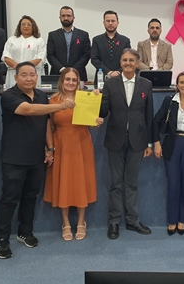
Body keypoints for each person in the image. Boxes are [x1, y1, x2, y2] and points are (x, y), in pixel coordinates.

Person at [0, 61, 75, 259]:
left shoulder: (41, 95)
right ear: (16, 77)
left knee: (30, 196)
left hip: (37, 156)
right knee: (9, 199)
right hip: (14, 157)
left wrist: (49, 148)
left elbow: (46, 124)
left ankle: (25, 232)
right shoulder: (9, 96)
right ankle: (2, 239)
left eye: (32, 74)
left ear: (37, 77)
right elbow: (28, 110)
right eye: (24, 75)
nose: (29, 78)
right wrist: (60, 106)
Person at [99, 48, 154, 239]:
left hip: (138, 141)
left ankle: (132, 221)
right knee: (115, 183)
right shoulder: (110, 83)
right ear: (120, 63)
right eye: (124, 60)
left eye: (131, 60)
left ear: (137, 63)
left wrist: (149, 143)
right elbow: (104, 110)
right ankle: (114, 222)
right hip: (115, 138)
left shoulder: (146, 84)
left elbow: (149, 116)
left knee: (131, 183)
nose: (128, 63)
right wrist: (95, 104)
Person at [44, 68, 103, 241]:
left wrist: (96, 121)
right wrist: (50, 148)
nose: (71, 83)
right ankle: (66, 223)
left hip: (81, 143)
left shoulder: (85, 98)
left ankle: (81, 222)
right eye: (67, 79)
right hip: (61, 144)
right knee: (63, 182)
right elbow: (49, 127)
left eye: (74, 80)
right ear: (61, 81)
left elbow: (90, 124)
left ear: (79, 82)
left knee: (80, 182)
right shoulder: (53, 101)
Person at [152, 72, 184, 235]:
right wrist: (157, 144)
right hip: (172, 145)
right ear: (177, 85)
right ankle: (172, 219)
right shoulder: (169, 101)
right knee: (173, 184)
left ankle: (182, 220)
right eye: (182, 82)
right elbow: (155, 122)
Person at [46, 6, 91, 82]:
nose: (66, 18)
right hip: (57, 74)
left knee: (78, 94)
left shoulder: (83, 35)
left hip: (78, 73)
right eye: (63, 16)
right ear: (60, 18)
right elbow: (50, 55)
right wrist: (62, 69)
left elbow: (87, 54)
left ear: (73, 17)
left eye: (68, 16)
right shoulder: (52, 35)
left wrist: (73, 70)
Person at [2, 15, 46, 87]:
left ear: (33, 27)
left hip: (32, 74)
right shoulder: (11, 40)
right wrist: (18, 68)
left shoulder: (39, 41)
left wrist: (24, 68)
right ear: (19, 26)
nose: (26, 26)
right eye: (23, 24)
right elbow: (6, 56)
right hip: (14, 73)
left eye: (29, 24)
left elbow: (40, 58)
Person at [90, 10, 131, 85]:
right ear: (103, 23)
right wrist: (108, 72)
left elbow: (128, 60)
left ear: (117, 23)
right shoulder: (97, 40)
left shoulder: (125, 41)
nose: (110, 23)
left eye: (113, 21)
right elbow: (94, 59)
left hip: (121, 77)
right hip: (101, 78)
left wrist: (118, 71)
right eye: (108, 21)